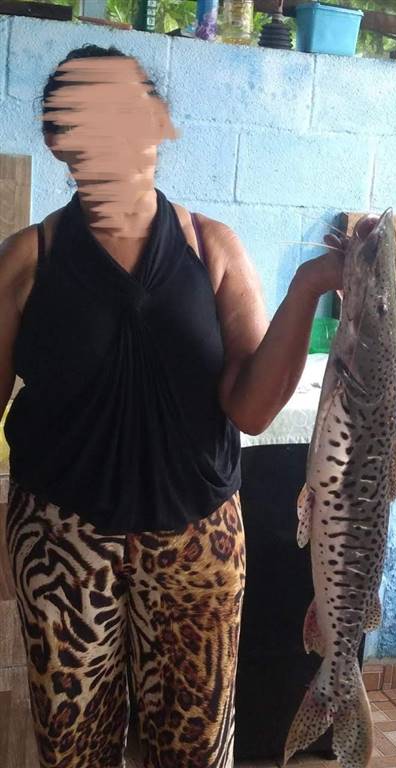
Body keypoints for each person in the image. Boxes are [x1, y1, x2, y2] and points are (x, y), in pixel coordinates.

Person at [0, 45, 345, 768]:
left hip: (199, 541)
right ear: (58, 140)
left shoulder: (211, 248)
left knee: (195, 745)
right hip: (63, 544)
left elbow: (250, 410)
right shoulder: (25, 261)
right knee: (73, 747)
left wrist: (310, 286)